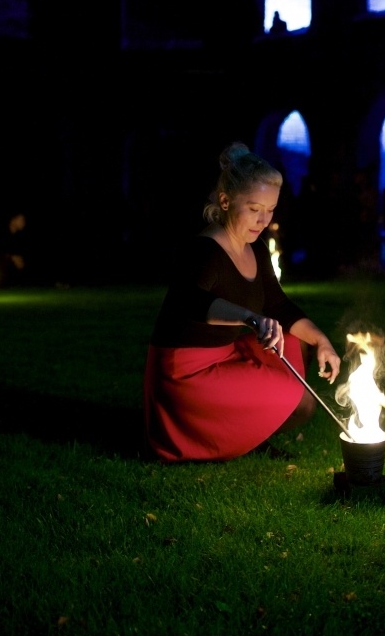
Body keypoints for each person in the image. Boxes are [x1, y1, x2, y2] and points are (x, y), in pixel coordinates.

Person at [144, 143, 341, 462]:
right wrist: (250, 318)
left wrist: (322, 342)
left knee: (294, 345)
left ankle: (244, 437)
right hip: (187, 373)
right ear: (225, 201)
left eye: (271, 209)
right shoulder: (205, 251)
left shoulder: (257, 248)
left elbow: (278, 306)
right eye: (253, 208)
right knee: (299, 399)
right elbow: (192, 300)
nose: (263, 219)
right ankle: (231, 439)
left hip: (226, 354)